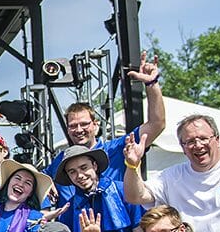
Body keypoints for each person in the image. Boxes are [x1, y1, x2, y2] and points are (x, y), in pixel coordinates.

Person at [45, 52, 167, 205]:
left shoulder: (118, 148)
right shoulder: (61, 160)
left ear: (95, 125)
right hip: (77, 220)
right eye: (73, 126)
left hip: (121, 219)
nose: (79, 130)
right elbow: (32, 175)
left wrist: (151, 84)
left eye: (84, 124)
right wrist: (45, 181)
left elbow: (157, 124)